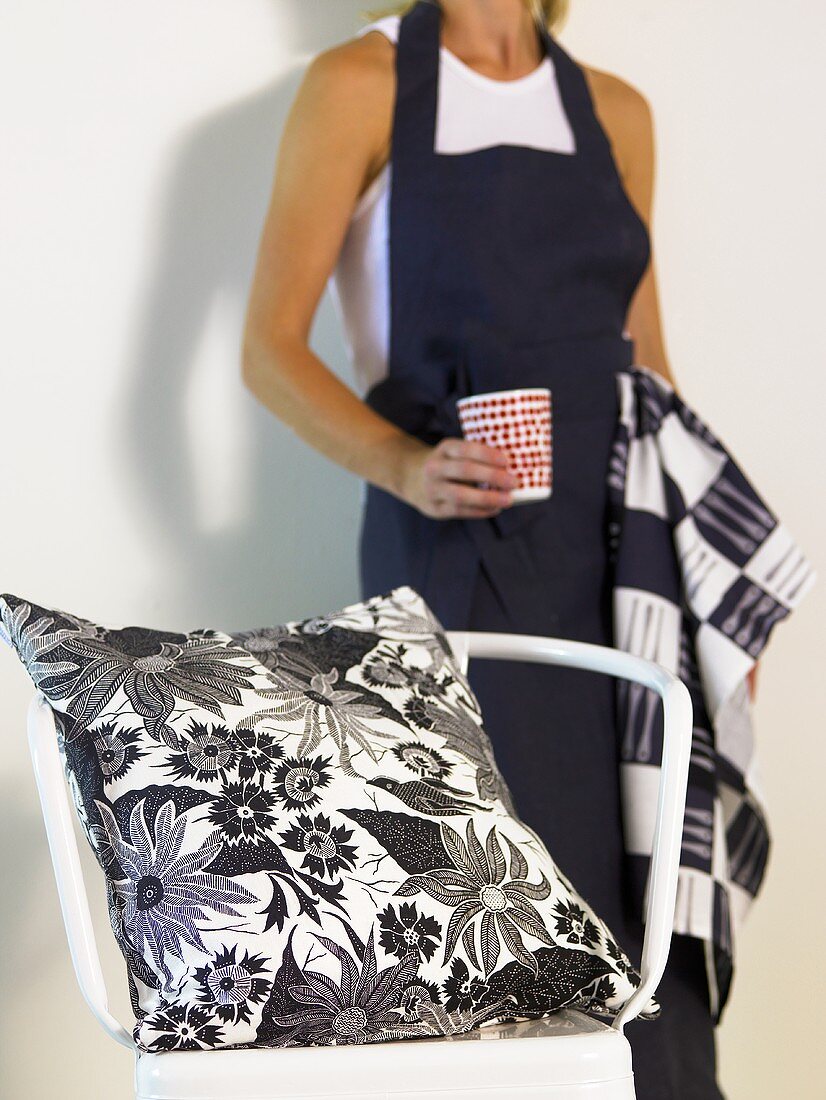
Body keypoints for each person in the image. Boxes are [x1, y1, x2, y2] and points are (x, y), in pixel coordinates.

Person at [241, 2, 727, 1095]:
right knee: (495, 879)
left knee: (644, 863)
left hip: (618, 557)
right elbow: (269, 351)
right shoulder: (357, 85)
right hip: (458, 551)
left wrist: (701, 584)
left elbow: (649, 372)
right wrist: (405, 465)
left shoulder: (616, 112)